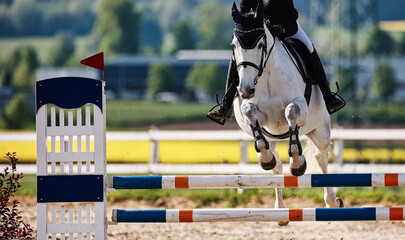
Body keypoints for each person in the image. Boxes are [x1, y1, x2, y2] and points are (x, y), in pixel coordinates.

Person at [207, 0, 346, 125]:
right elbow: (243, 17)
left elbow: (292, 22)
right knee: (235, 56)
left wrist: (282, 30)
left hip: (287, 30)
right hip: (259, 35)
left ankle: (329, 97)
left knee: (309, 48)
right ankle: (225, 107)